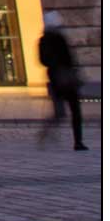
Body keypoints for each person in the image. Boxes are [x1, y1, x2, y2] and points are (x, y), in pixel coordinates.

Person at [37, 11, 87, 151]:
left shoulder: (43, 40)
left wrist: (55, 67)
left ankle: (45, 133)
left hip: (55, 79)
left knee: (60, 112)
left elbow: (43, 61)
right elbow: (70, 58)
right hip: (65, 78)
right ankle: (78, 142)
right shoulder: (59, 38)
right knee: (74, 111)